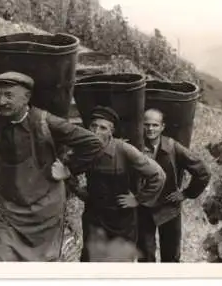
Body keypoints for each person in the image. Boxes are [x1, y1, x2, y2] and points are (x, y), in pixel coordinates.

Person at [0, 71, 104, 262]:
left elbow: (93, 143)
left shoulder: (46, 122)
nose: (1, 101)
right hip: (9, 210)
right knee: (3, 262)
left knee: (41, 267)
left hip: (44, 212)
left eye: (9, 95)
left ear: (26, 97)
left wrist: (68, 169)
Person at [69, 106, 166, 262]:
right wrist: (82, 193)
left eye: (103, 127)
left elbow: (158, 175)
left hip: (122, 222)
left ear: (111, 131)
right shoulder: (84, 149)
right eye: (93, 126)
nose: (96, 131)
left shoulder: (124, 150)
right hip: (94, 218)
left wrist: (138, 199)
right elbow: (67, 170)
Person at [137, 108, 211, 263]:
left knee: (171, 258)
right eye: (147, 124)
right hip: (143, 211)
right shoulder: (136, 147)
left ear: (162, 127)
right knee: (145, 257)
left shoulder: (172, 147)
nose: (150, 129)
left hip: (168, 209)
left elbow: (203, 171)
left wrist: (186, 193)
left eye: (155, 125)